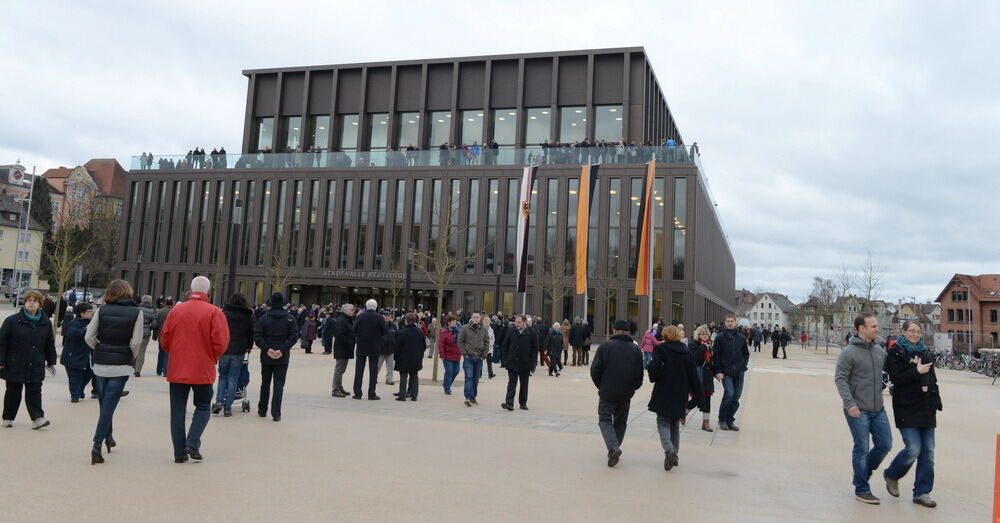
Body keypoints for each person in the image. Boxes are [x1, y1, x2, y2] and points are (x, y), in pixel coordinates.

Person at [159, 276, 230, 463]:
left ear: (190, 290)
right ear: (208, 292)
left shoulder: (176, 310)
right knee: (204, 406)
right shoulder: (215, 312)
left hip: (178, 367)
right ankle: (192, 442)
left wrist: (175, 352)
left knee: (177, 410)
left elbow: (165, 339)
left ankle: (179, 453)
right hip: (202, 367)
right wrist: (211, 355)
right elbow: (221, 342)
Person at [84, 280, 144, 463]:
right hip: (121, 363)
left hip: (101, 362)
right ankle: (97, 444)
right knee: (109, 404)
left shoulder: (102, 310)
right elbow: (136, 342)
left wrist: (99, 349)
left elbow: (89, 336)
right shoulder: (137, 312)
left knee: (105, 403)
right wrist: (129, 356)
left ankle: (108, 437)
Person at [834, 313, 892, 505]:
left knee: (885, 444)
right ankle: (862, 488)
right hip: (857, 408)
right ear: (861, 329)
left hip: (878, 408)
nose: (877, 329)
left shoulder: (879, 352)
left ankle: (862, 472)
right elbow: (840, 378)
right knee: (862, 448)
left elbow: (895, 371)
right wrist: (849, 403)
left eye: (877, 326)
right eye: (873, 326)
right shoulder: (848, 353)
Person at [882, 321, 940, 508]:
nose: (915, 334)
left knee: (928, 453)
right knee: (913, 449)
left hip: (926, 408)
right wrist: (916, 371)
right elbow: (896, 380)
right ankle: (892, 474)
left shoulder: (925, 353)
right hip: (906, 407)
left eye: (918, 331)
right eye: (911, 331)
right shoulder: (895, 352)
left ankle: (922, 493)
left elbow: (932, 380)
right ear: (903, 332)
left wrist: (936, 401)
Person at [0, 290, 57, 430]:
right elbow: (2, 342)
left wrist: (51, 361)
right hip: (15, 363)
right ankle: (8, 417)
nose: (31, 302)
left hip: (36, 364)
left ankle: (38, 418)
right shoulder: (12, 321)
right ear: (24, 303)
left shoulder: (45, 323)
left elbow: (49, 343)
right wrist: (1, 361)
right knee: (13, 392)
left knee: (35, 392)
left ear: (40, 304)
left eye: (35, 300)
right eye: (28, 300)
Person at [649, 325, 703, 471]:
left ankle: (668, 449)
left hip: (664, 390)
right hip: (680, 393)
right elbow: (693, 376)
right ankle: (675, 455)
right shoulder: (686, 352)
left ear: (665, 336)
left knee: (662, 422)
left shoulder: (661, 349)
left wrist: (654, 375)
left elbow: (653, 368)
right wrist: (698, 396)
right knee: (674, 424)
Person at [590, 319, 644, 467]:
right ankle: (614, 447)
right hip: (626, 392)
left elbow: (595, 369)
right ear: (627, 332)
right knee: (620, 422)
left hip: (607, 390)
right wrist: (634, 387)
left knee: (605, 419)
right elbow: (639, 374)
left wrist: (600, 384)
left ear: (614, 330)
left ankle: (613, 447)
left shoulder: (605, 346)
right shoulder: (635, 349)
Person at [254, 293, 298, 422]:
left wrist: (267, 349)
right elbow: (293, 336)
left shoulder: (263, 318)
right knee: (279, 385)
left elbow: (257, 336)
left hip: (267, 355)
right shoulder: (290, 318)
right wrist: (282, 349)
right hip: (282, 356)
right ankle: (276, 413)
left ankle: (262, 409)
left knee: (265, 383)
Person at [213, 294, 254, 417]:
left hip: (225, 349)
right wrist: (249, 346)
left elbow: (219, 330)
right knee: (233, 379)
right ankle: (228, 408)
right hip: (239, 350)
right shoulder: (247, 316)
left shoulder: (224, 314)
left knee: (222, 376)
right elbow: (250, 333)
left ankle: (219, 401)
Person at [711, 315, 750, 431]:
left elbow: (746, 353)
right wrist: (718, 371)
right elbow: (716, 356)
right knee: (729, 394)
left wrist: (743, 365)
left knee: (736, 396)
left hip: (739, 371)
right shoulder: (720, 337)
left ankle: (730, 420)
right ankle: (722, 419)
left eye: (732, 321)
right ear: (725, 322)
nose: (730, 323)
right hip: (726, 371)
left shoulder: (740, 337)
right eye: (728, 321)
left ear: (735, 323)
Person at [353, 299, 387, 400]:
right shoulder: (379, 317)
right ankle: (371, 393)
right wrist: (380, 343)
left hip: (361, 346)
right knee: (373, 372)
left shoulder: (360, 316)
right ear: (376, 307)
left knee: (359, 371)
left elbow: (354, 330)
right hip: (374, 347)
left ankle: (357, 393)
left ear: (366, 306)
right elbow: (385, 332)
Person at [500, 314, 535, 411]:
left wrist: (532, 363)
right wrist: (505, 360)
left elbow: (534, 348)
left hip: (525, 363)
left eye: (519, 322)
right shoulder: (511, 330)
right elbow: (505, 345)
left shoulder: (531, 332)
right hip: (512, 362)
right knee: (512, 383)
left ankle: (523, 403)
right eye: (516, 322)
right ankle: (509, 403)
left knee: (524, 384)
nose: (517, 324)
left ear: (524, 322)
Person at [60, 303, 94, 403]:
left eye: (91, 311)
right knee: (75, 377)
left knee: (89, 374)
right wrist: (85, 330)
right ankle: (75, 395)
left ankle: (80, 390)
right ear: (81, 314)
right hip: (73, 356)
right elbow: (71, 334)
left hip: (87, 356)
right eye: (89, 312)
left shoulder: (92, 323)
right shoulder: (74, 322)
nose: (91, 313)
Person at [687, 325, 715, 432]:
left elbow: (711, 362)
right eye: (702, 334)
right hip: (697, 376)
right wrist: (703, 347)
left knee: (707, 399)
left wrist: (717, 372)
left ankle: (705, 423)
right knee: (696, 399)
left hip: (707, 377)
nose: (704, 336)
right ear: (697, 335)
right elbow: (694, 359)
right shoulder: (693, 344)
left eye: (706, 334)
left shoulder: (709, 346)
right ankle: (684, 412)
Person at [457, 311, 488, 406]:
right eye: (474, 317)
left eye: (477, 317)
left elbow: (487, 342)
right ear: (471, 317)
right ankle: (468, 397)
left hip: (479, 358)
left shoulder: (484, 329)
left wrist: (484, 355)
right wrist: (464, 353)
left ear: (480, 318)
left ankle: (473, 396)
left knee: (476, 379)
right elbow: (460, 341)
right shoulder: (465, 328)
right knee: (469, 376)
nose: (475, 319)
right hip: (468, 357)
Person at [393, 313, 424, 401]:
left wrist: (396, 357)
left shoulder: (402, 332)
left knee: (403, 377)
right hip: (416, 358)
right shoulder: (420, 332)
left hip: (403, 358)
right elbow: (424, 346)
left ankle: (402, 396)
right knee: (414, 376)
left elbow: (397, 347)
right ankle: (414, 396)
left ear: (406, 320)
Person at [330, 304, 356, 397]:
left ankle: (339, 387)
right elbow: (339, 335)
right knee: (339, 369)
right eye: (352, 310)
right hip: (342, 348)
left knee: (342, 369)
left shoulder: (347, 320)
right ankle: (335, 389)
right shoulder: (341, 320)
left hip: (346, 348)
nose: (353, 311)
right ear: (346, 311)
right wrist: (349, 342)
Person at [134, 295, 157, 377]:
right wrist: (149, 328)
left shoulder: (137, 309)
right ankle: (138, 370)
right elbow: (154, 324)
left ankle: (132, 367)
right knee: (142, 351)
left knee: (134, 348)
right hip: (146, 333)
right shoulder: (151, 311)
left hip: (136, 331)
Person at [438, 314, 461, 395]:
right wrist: (442, 355)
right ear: (448, 322)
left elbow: (461, 342)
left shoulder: (458, 331)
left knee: (456, 371)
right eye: (453, 321)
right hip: (447, 356)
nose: (455, 323)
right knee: (449, 371)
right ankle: (447, 388)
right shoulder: (444, 331)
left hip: (457, 355)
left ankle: (446, 383)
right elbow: (441, 344)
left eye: (455, 321)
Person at [152, 297, 174, 376]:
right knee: (167, 353)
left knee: (161, 353)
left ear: (165, 303)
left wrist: (154, 336)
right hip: (171, 336)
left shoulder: (160, 312)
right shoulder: (174, 311)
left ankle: (159, 370)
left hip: (161, 336)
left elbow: (156, 325)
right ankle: (166, 370)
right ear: (172, 303)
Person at [377, 310, 398, 386]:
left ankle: (389, 379)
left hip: (390, 350)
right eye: (386, 316)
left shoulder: (393, 326)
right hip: (381, 351)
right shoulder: (379, 325)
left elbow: (396, 336)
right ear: (382, 316)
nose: (387, 317)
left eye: (389, 316)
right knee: (377, 366)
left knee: (390, 367)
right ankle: (374, 378)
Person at [483, 315, 497, 379]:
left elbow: (493, 338)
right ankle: (479, 374)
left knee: (489, 362)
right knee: (480, 362)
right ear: (483, 322)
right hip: (482, 348)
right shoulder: (481, 329)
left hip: (489, 348)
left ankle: (490, 374)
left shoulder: (491, 329)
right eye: (485, 321)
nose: (486, 323)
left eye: (488, 322)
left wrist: (491, 344)